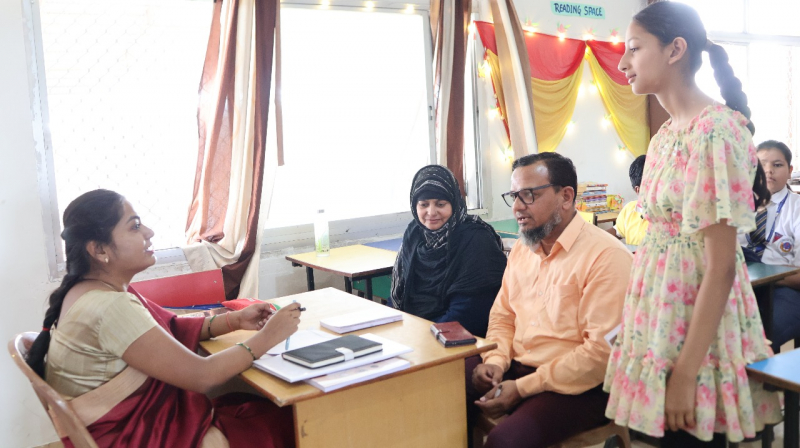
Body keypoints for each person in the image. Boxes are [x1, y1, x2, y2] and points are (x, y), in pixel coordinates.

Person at [604, 3, 781, 447]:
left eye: (634, 48)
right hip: (659, 317)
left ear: (675, 49)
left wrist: (685, 373)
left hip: (697, 331)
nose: (623, 63)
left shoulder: (716, 131)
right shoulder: (665, 135)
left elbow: (721, 266)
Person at [26, 189, 301, 447]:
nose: (149, 232)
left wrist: (235, 320)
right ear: (99, 250)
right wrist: (268, 337)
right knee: (287, 421)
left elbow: (171, 327)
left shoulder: (87, 290)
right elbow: (203, 376)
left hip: (118, 430)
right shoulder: (109, 306)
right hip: (133, 438)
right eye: (134, 227)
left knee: (244, 402)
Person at [467, 152, 633, 448]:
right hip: (518, 366)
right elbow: (504, 317)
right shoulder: (523, 250)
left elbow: (600, 354)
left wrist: (522, 388)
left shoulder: (606, 257)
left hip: (582, 385)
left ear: (566, 197)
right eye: (514, 196)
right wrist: (495, 362)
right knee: (440, 387)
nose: (517, 207)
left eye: (529, 195)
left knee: (506, 442)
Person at [389, 165, 507, 337]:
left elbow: (470, 312)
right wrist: (393, 328)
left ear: (454, 202)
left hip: (457, 337)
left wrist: (423, 337)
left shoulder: (476, 239)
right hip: (414, 332)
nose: (431, 212)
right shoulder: (414, 234)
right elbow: (398, 294)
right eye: (424, 204)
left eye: (440, 204)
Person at [739, 140, 800, 347]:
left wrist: (765, 275)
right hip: (740, 287)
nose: (768, 171)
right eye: (761, 164)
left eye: (777, 165)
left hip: (786, 291)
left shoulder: (796, 209)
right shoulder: (738, 205)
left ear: (790, 171)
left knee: (756, 339)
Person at [608, 155, 648, 246]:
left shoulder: (667, 213)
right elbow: (617, 231)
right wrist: (595, 237)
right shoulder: (630, 209)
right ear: (638, 190)